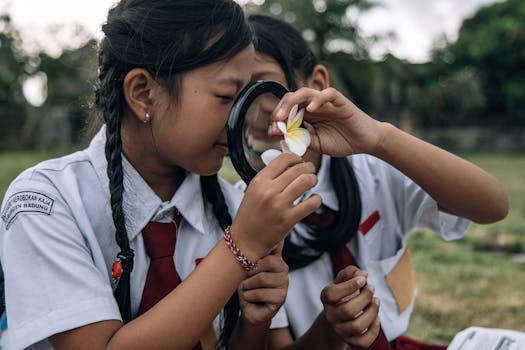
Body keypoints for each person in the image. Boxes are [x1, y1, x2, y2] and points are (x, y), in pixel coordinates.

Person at [0, 3, 324, 349]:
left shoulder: (235, 207)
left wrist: (254, 320)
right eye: (227, 97)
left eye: (246, 96)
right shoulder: (46, 202)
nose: (242, 118)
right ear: (143, 93)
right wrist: (240, 248)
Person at [245, 14, 509, 350]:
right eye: (232, 95)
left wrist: (379, 138)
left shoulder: (372, 170)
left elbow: (492, 205)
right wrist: (331, 328)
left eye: (261, 86)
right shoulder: (247, 213)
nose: (249, 111)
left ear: (317, 83)